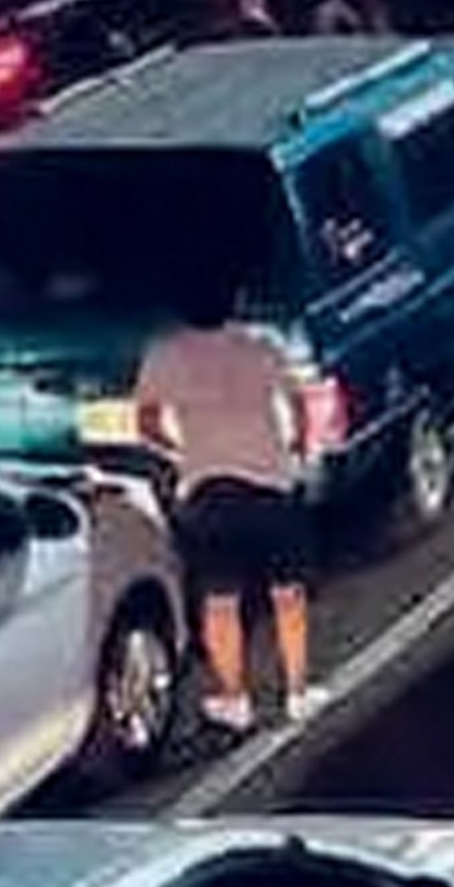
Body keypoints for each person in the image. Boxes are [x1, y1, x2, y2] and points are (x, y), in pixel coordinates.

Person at [135, 278, 324, 733]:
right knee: (288, 594)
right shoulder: (261, 348)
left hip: (207, 489)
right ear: (234, 303)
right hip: (268, 481)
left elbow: (145, 422)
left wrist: (179, 451)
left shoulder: (164, 354)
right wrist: (296, 446)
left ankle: (235, 699)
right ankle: (298, 691)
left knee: (220, 601)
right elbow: (298, 405)